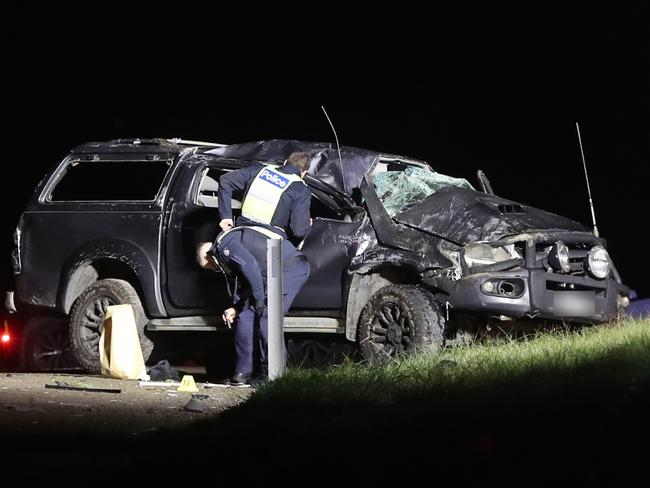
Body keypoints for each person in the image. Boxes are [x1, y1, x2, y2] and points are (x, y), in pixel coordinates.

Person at [211, 151, 312, 385]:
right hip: (276, 254)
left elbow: (225, 181)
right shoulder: (300, 188)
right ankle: (271, 376)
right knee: (266, 313)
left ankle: (243, 373)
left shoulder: (261, 171)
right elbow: (298, 231)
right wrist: (307, 224)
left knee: (247, 312)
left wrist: (225, 216)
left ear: (285, 162)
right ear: (304, 172)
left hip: (249, 242)